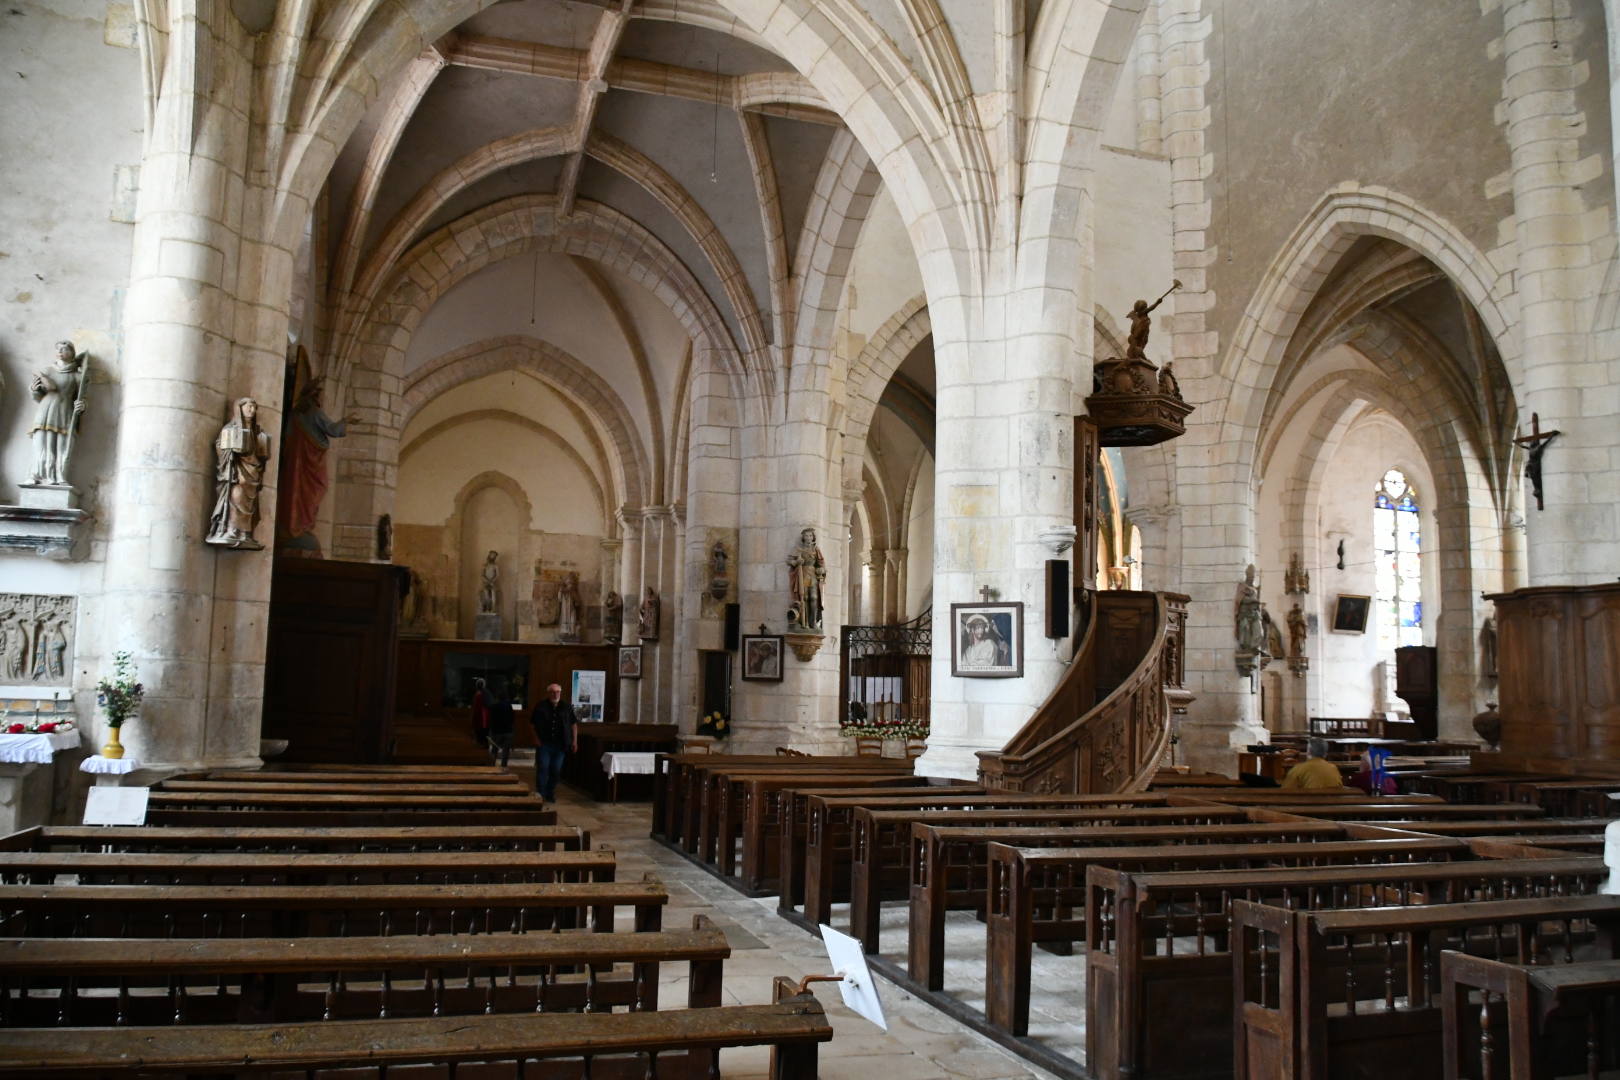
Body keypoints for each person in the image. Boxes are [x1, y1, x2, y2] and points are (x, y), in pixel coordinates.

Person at [533, 682, 577, 803]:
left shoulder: (566, 707)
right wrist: (535, 737)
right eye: (552, 692)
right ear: (548, 693)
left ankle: (550, 793)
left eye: (557, 692)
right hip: (544, 744)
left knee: (556, 770)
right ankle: (541, 793)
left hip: (560, 745)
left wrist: (574, 740)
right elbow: (532, 723)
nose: (555, 694)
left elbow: (573, 724)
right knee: (543, 767)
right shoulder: (541, 706)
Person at [1280, 737, 1345, 790]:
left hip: (1307, 802)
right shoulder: (1333, 769)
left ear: (1308, 751)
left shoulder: (1298, 769)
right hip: (1332, 802)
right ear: (1325, 753)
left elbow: (1285, 792)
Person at [486, 692, 515, 767]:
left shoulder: (494, 707)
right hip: (507, 730)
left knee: (494, 749)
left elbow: (490, 718)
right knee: (506, 751)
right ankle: (503, 766)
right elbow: (512, 718)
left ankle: (491, 765)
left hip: (496, 731)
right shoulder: (509, 706)